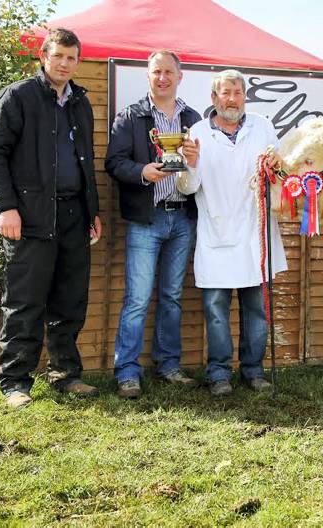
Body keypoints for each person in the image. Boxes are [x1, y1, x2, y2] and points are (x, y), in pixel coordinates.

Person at [0, 28, 102, 408]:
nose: (65, 64)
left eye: (71, 58)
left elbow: (84, 162)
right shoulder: (18, 96)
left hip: (73, 215)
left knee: (70, 300)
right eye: (59, 56)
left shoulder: (80, 102)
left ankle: (65, 375)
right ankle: (15, 382)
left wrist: (91, 211)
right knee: (25, 301)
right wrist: (5, 207)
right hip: (29, 216)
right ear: (43, 57)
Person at [178, 69, 286, 396]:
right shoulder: (196, 132)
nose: (232, 99)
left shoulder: (263, 128)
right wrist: (190, 163)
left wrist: (276, 169)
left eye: (237, 93)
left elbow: (279, 173)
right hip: (216, 233)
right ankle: (219, 373)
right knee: (216, 312)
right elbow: (186, 187)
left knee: (257, 311)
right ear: (214, 98)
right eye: (225, 93)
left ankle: (254, 371)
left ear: (244, 97)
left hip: (256, 234)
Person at [105, 50, 201, 399]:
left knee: (172, 297)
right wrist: (142, 173)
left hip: (183, 217)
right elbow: (114, 163)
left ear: (180, 76)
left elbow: (206, 167)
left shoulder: (193, 117)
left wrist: (197, 160)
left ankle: (168, 366)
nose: (162, 78)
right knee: (137, 298)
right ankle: (127, 372)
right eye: (156, 72)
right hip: (147, 218)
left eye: (168, 72)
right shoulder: (130, 116)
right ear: (148, 76)